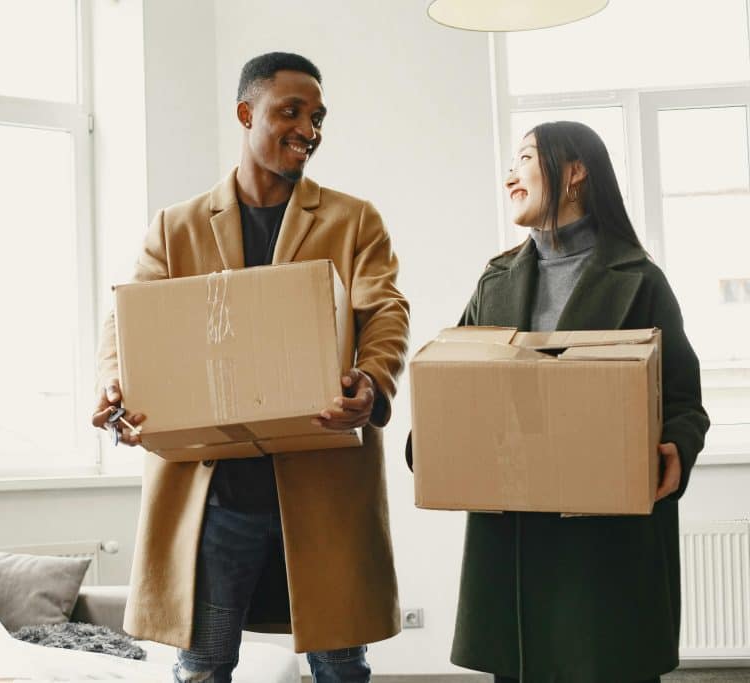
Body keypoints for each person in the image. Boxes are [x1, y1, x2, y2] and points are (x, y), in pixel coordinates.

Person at [92, 52, 409, 683]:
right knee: (204, 666)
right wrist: (113, 383)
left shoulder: (353, 219)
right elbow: (129, 321)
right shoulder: (175, 225)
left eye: (317, 117)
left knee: (341, 669)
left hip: (322, 477)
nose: (308, 130)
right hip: (214, 493)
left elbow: (386, 311)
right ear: (246, 113)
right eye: (290, 111)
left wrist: (371, 381)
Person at [433, 121, 710, 682]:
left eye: (526, 157)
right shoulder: (495, 281)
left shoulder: (640, 279)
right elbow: (455, 381)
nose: (511, 173)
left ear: (575, 172)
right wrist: (438, 444)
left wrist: (677, 447)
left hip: (603, 541)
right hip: (516, 534)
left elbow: (685, 400)